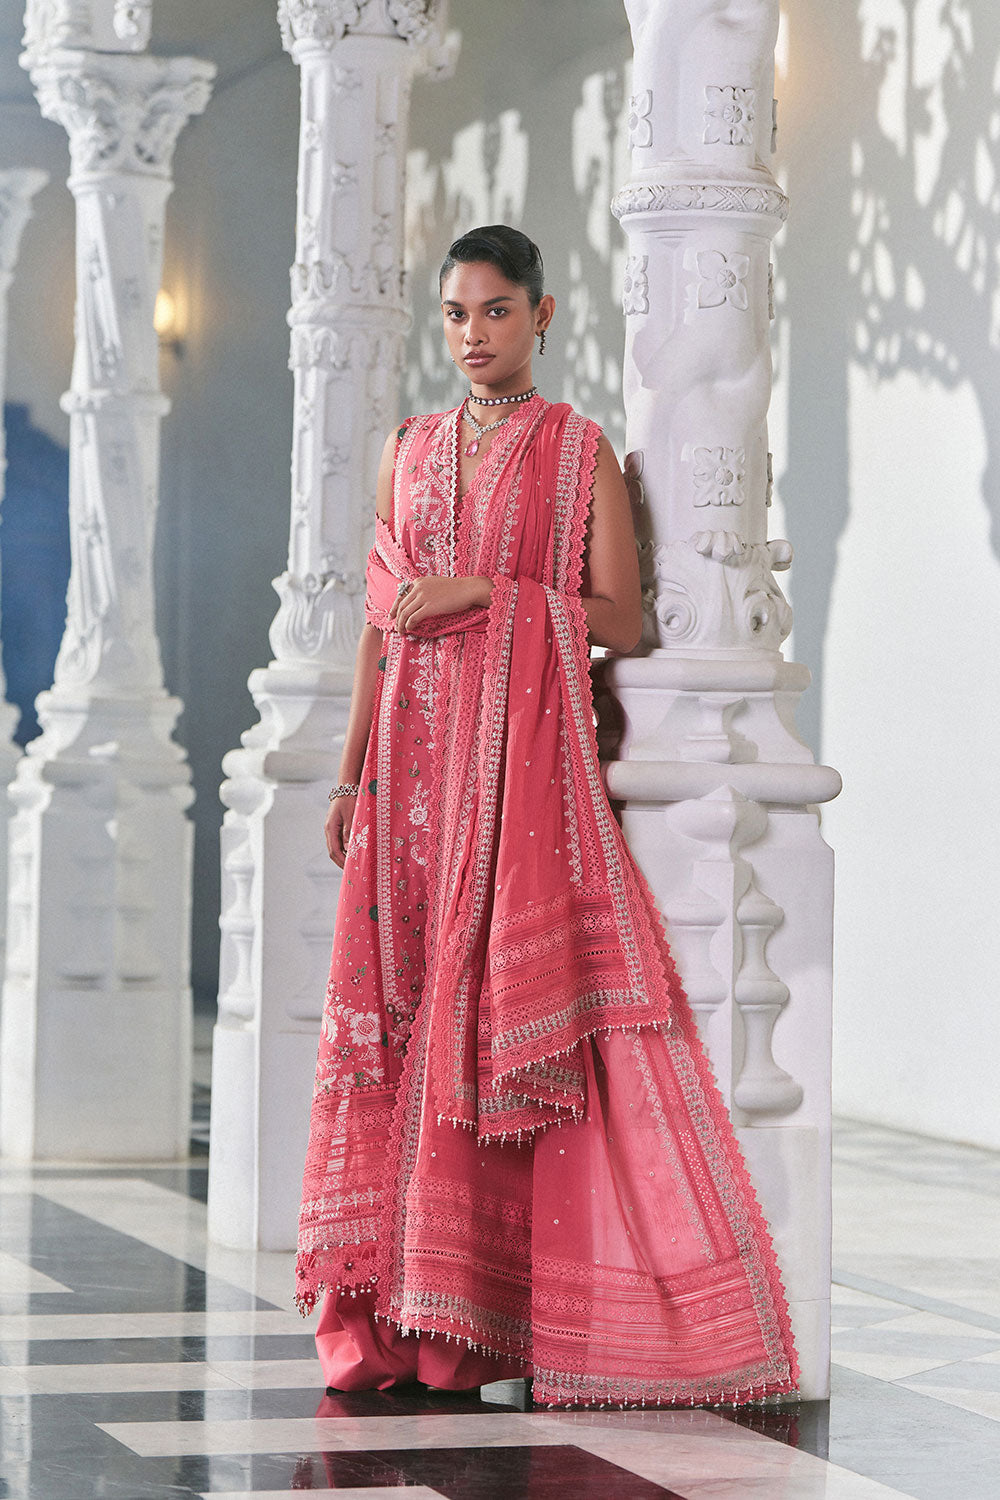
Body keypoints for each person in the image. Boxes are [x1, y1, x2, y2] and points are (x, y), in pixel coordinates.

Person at [295, 224, 798, 1408]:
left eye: (495, 311)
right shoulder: (409, 449)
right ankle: (385, 1321)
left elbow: (619, 620)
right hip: (409, 777)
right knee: (399, 1023)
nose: (472, 336)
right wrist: (350, 779)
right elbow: (378, 630)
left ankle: (469, 1329)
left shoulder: (578, 450)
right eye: (455, 315)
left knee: (479, 1033)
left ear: (542, 314)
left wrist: (485, 591)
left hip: (514, 782)